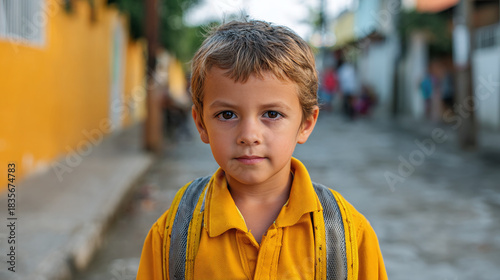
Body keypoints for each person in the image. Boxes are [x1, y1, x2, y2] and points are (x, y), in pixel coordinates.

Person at [137, 20, 387, 280]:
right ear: (201, 123)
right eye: (227, 114)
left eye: (271, 114)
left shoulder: (346, 236)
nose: (248, 136)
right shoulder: (174, 234)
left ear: (306, 124)